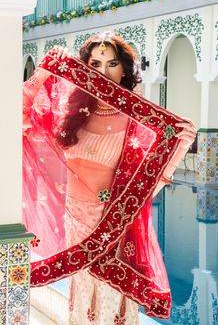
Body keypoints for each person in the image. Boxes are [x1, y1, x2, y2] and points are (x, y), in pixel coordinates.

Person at [23, 31, 197, 324]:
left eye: (112, 63)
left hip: (113, 226)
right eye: (95, 63)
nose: (103, 72)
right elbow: (18, 115)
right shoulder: (71, 113)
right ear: (85, 66)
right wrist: (43, 72)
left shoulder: (138, 121)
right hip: (76, 223)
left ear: (125, 69)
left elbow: (147, 183)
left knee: (110, 305)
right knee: (81, 301)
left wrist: (180, 143)